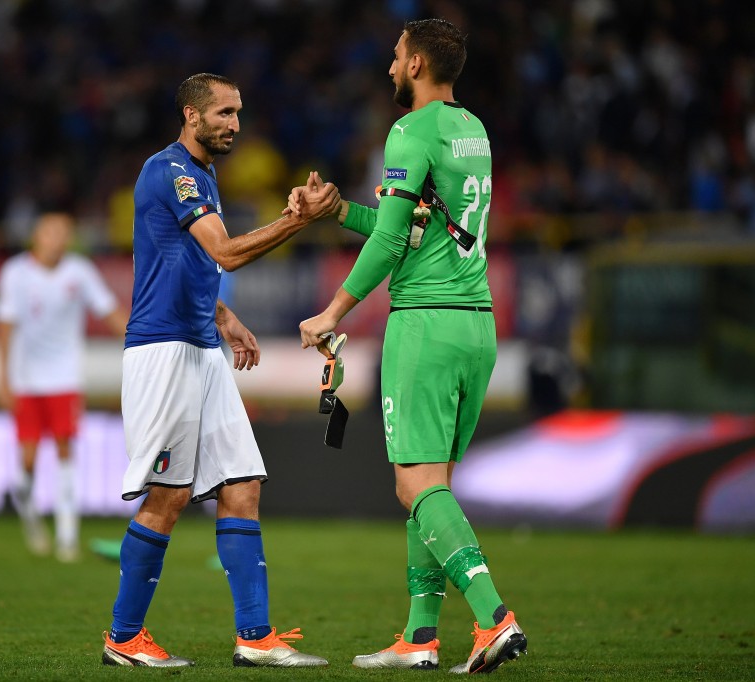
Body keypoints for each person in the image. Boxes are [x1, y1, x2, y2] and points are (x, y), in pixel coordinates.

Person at [296, 19, 528, 674]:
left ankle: (493, 618)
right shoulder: (472, 131)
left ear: (418, 62)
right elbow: (418, 230)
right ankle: (421, 635)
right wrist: (339, 210)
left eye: (397, 56)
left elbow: (394, 243)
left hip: (425, 325)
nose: (390, 67)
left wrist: (332, 311)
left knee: (415, 484)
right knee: (431, 486)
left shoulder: (409, 130)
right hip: (476, 326)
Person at [100, 73, 340, 668]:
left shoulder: (202, 175)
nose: (235, 123)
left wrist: (223, 315)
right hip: (163, 350)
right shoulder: (173, 171)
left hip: (201, 344)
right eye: (225, 113)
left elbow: (179, 262)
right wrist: (296, 221)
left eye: (239, 114)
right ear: (191, 115)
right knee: (170, 494)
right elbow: (226, 252)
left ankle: (255, 638)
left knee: (242, 485)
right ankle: (123, 637)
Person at [0, 211, 128, 563]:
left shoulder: (79, 271)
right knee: (28, 460)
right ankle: (31, 518)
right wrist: (3, 378)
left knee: (66, 451)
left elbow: (110, 311)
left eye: (64, 233)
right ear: (37, 236)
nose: (58, 239)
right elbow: (5, 328)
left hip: (64, 378)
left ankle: (67, 538)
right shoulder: (15, 273)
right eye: (52, 232)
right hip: (26, 380)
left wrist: (138, 342)